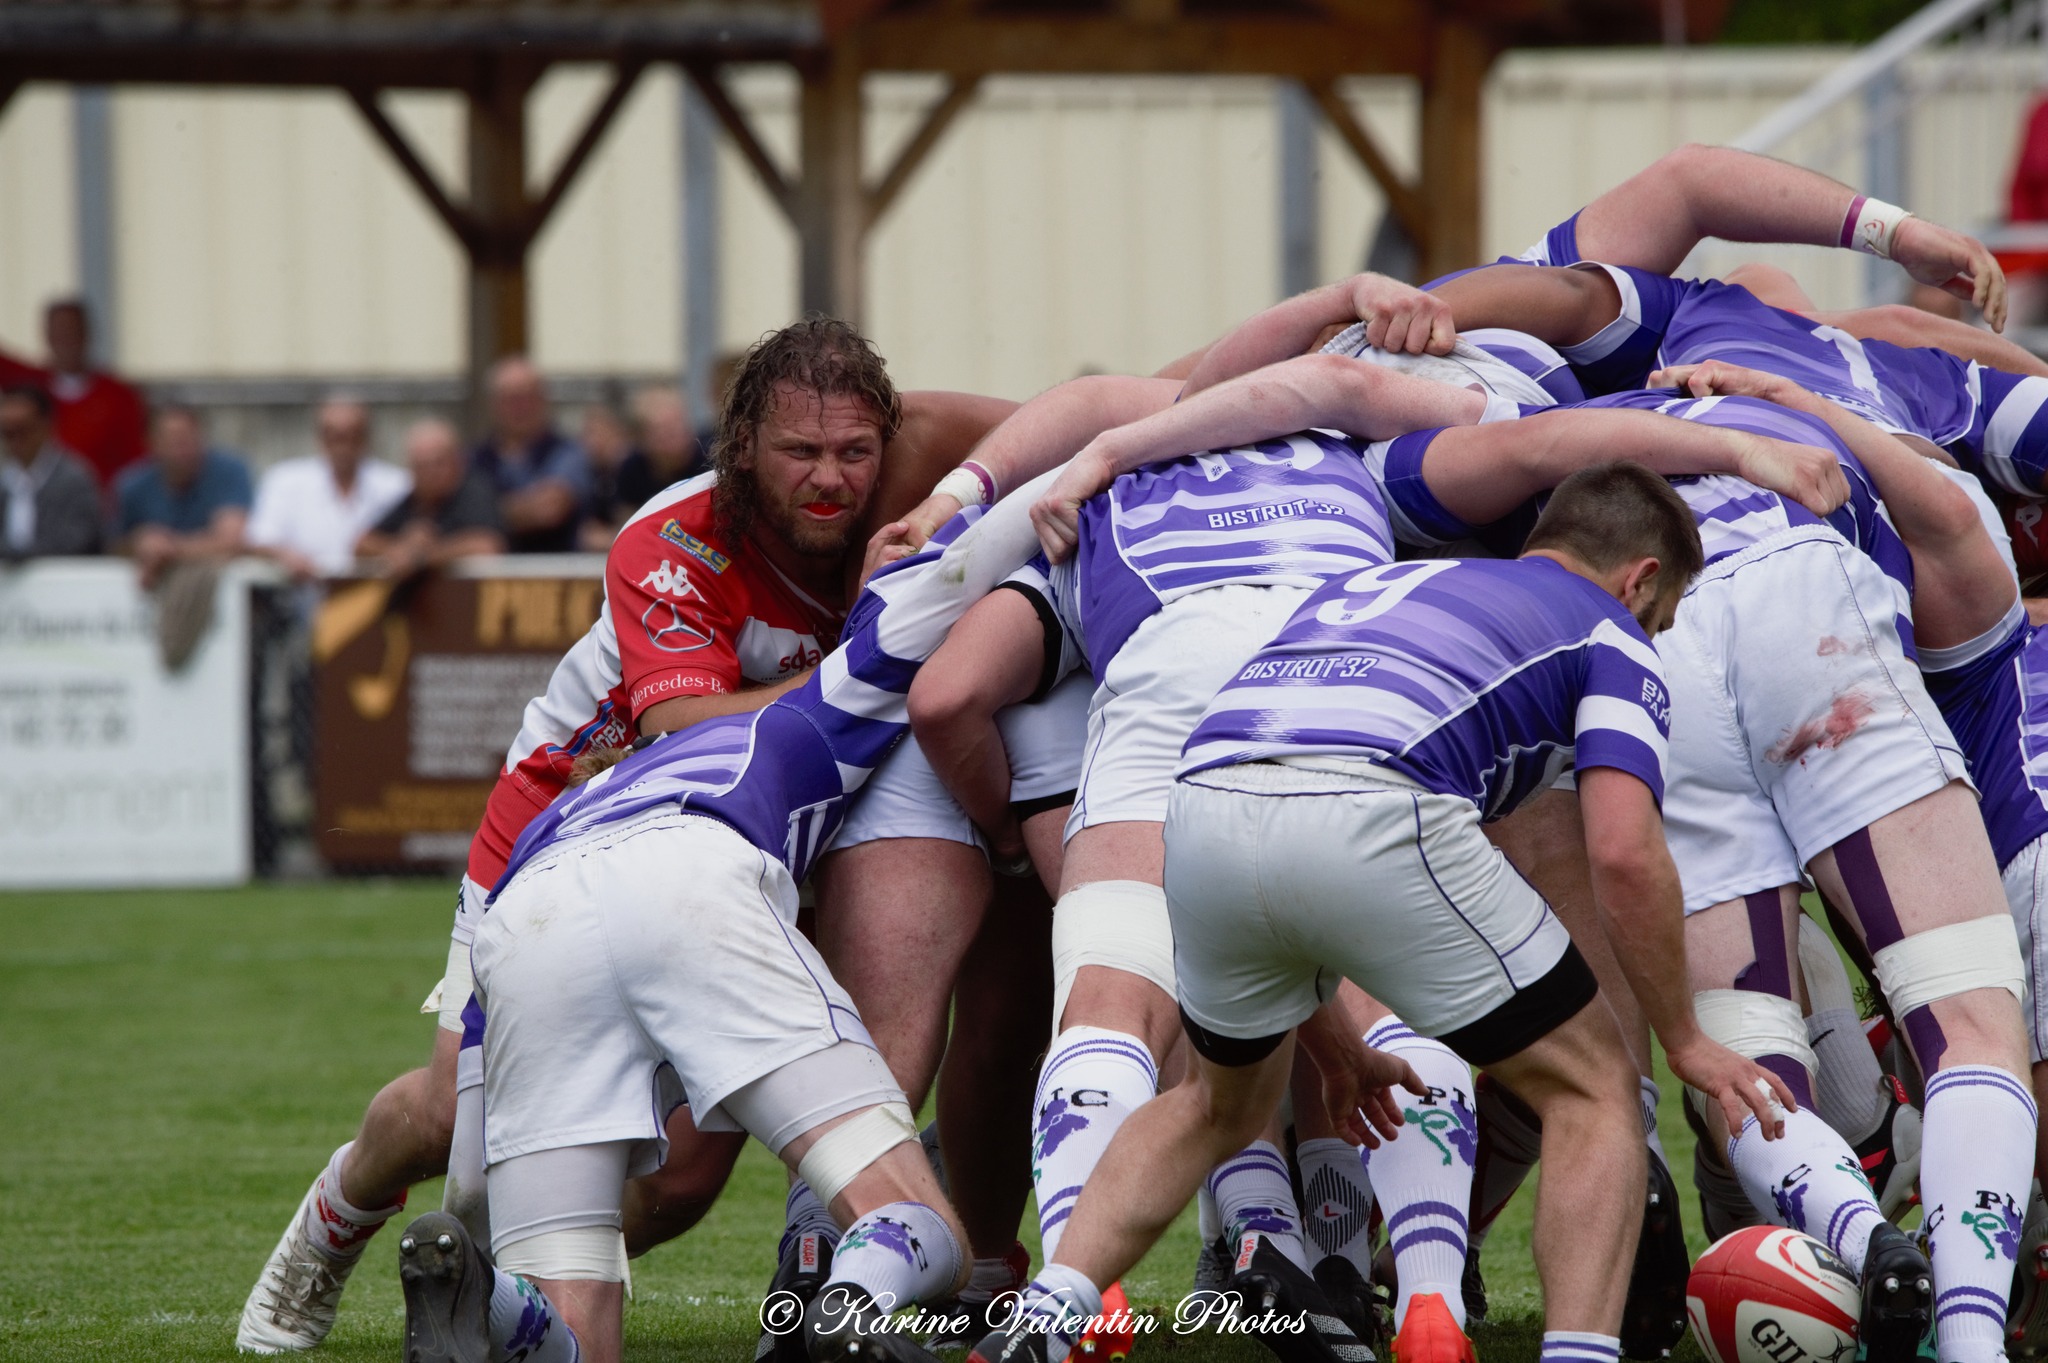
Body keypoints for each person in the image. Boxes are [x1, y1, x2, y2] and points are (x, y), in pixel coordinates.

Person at [236, 319, 1019, 1355]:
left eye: (853, 452)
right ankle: (336, 1214)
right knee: (454, 1147)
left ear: (887, 438)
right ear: (741, 445)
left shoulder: (921, 484)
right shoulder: (673, 533)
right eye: (799, 453)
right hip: (560, 815)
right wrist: (863, 673)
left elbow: (1084, 427)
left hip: (749, 831)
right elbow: (674, 723)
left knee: (687, 1177)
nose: (830, 479)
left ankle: (568, 1301)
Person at [966, 463, 1787, 1363]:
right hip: (1377, 804)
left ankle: (1044, 1318)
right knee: (1593, 1089)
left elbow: (1286, 873)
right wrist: (1684, 1039)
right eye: (1661, 615)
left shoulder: (1380, 576)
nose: (1654, 634)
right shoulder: (1613, 633)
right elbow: (1626, 852)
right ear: (1641, 579)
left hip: (1200, 799)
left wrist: (1338, 1051)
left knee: (1214, 1103)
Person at [245, 396, 410, 581]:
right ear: (320, 436)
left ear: (366, 436)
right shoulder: (285, 480)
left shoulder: (397, 484)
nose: (343, 445)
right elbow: (259, 539)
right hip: (302, 601)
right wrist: (285, 555)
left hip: (378, 600)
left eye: (352, 435)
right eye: (334, 435)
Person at [114, 405, 251, 588]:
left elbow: (232, 540)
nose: (183, 450)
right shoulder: (132, 484)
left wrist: (167, 549)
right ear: (152, 442)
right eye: (173, 441)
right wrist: (141, 542)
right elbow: (116, 545)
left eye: (188, 439)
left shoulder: (230, 471)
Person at [469, 357, 591, 554]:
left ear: (544, 400)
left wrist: (489, 513)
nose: (520, 407)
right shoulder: (474, 458)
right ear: (492, 403)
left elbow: (549, 510)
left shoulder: (569, 452)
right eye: (511, 399)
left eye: (528, 397)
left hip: (559, 575)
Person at [355, 418, 506, 577]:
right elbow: (362, 544)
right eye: (422, 466)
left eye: (438, 463)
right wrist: (399, 548)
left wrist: (427, 555)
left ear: (457, 461)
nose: (430, 473)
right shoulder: (414, 500)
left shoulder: (475, 492)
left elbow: (488, 546)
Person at [39, 298, 148, 489]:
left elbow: (138, 464)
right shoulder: (32, 393)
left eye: (72, 331)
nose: (65, 340)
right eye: (59, 331)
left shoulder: (118, 396)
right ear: (47, 336)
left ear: (87, 334)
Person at [0, 383, 101, 559]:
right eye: (7, 433)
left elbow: (79, 541)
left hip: (62, 581)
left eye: (22, 430)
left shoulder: (73, 479)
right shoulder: (5, 478)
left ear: (45, 426)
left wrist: (17, 557)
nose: (14, 442)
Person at [614, 385, 706, 513]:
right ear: (641, 438)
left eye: (679, 424)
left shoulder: (710, 463)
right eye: (662, 430)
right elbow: (625, 521)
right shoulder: (631, 470)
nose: (676, 435)